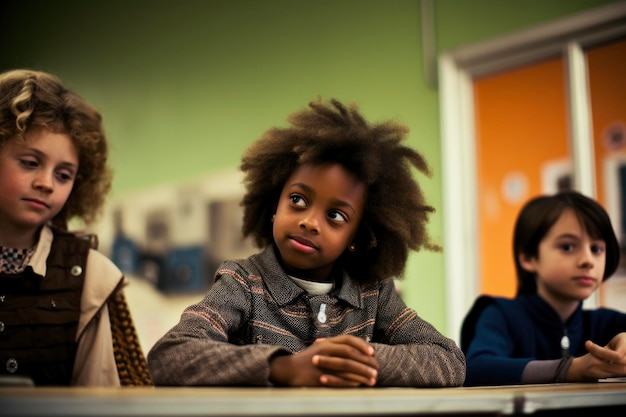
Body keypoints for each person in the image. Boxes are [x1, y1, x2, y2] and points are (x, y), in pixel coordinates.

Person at [148, 98, 466, 387]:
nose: (310, 222)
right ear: (274, 205)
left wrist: (360, 360)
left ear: (357, 236)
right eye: (298, 199)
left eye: (336, 216)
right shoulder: (243, 283)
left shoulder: (374, 293)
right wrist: (282, 367)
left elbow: (449, 359)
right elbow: (169, 356)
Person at [0, 69, 152, 386]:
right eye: (30, 162)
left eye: (64, 174)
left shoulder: (94, 277)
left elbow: (100, 401)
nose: (45, 183)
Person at [461, 190, 626, 386]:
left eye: (596, 249)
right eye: (567, 247)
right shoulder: (499, 315)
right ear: (529, 258)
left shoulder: (608, 323)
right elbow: (476, 368)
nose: (588, 260)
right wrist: (569, 368)